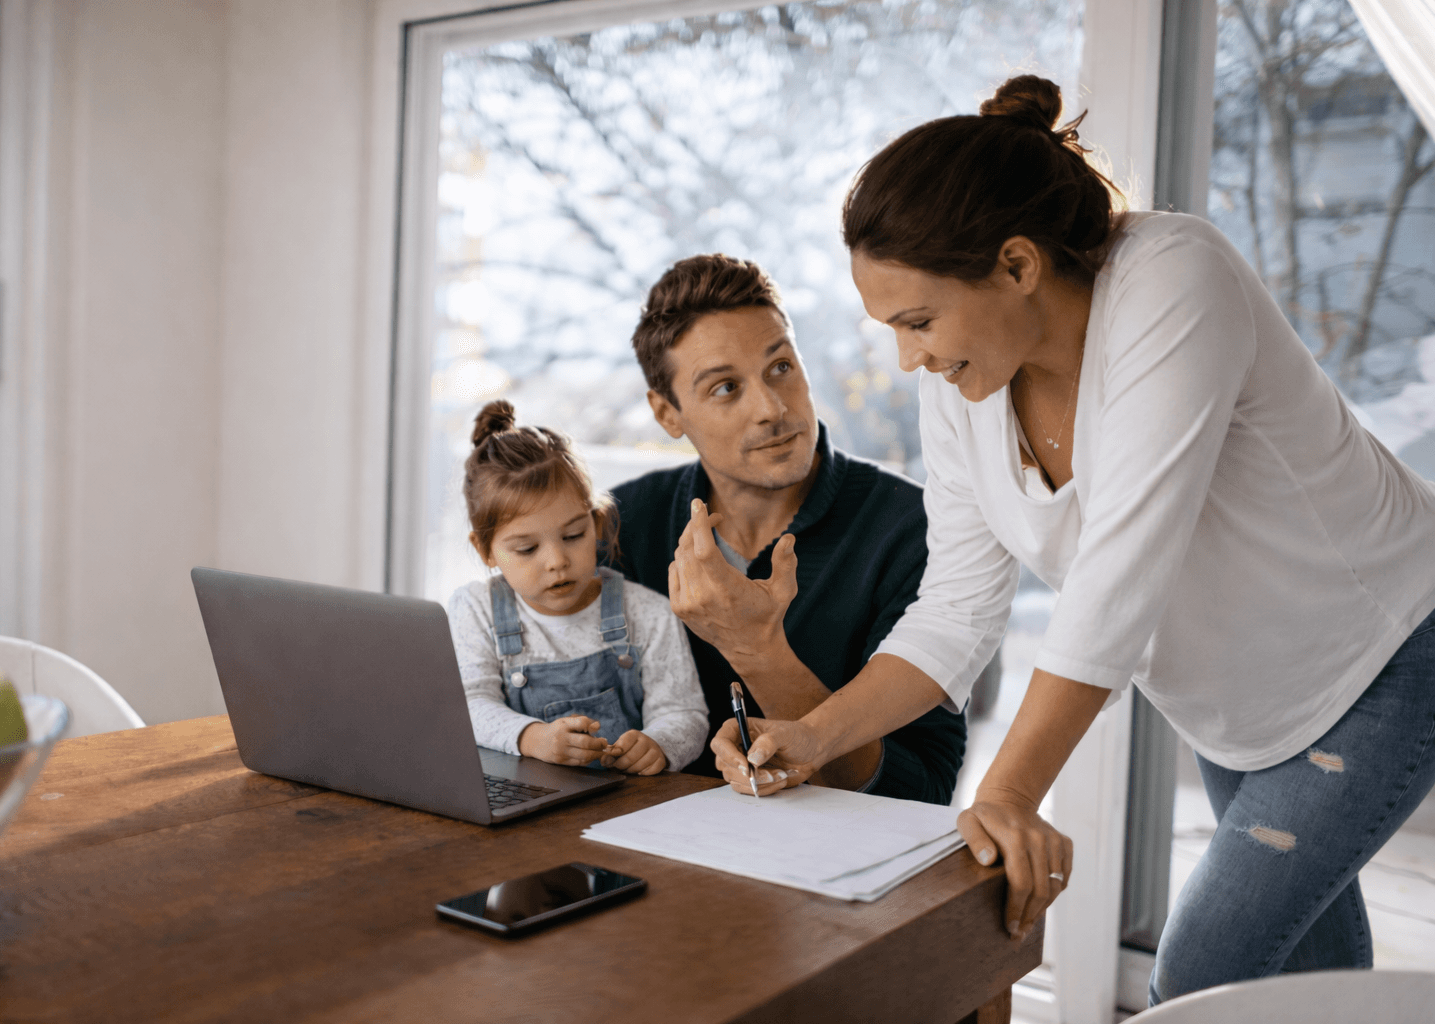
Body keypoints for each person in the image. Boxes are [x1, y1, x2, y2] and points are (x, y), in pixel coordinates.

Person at [708, 75, 1435, 1005]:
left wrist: (1009, 793)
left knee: (1208, 973)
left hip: (1384, 657)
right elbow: (959, 610)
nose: (908, 357)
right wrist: (810, 736)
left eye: (919, 321)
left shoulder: (1175, 280)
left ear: (1016, 266)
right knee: (1305, 981)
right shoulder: (962, 381)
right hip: (1240, 702)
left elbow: (1117, 579)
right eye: (892, 328)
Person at [607, 254, 967, 801]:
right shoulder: (619, 527)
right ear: (667, 414)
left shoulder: (914, 529)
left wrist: (757, 650)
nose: (772, 408)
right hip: (647, 858)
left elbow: (922, 792)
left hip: (836, 871)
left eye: (781, 367)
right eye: (726, 388)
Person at [447, 400, 708, 775]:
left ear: (597, 523)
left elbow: (685, 713)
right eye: (527, 548)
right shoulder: (475, 608)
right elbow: (469, 704)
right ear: (485, 550)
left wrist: (661, 745)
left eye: (573, 535)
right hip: (526, 803)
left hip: (628, 803)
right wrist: (533, 738)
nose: (556, 560)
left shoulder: (648, 613)